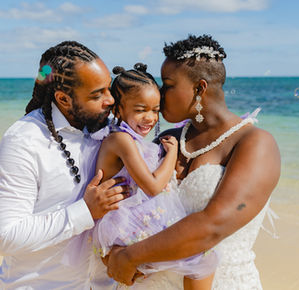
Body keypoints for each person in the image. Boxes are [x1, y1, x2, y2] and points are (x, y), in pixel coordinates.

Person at [105, 34, 281, 289]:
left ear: (199, 88)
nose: (159, 94)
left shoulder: (255, 143)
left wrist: (131, 256)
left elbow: (213, 225)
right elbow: (133, 205)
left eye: (167, 84)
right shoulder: (168, 139)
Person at [0, 41, 129, 289]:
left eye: (109, 89)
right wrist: (85, 211)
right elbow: (6, 237)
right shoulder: (24, 141)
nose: (110, 100)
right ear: (63, 98)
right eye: (97, 94)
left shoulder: (109, 129)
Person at [72, 63, 217, 290]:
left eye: (155, 110)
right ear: (117, 110)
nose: (150, 118)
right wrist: (172, 154)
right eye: (140, 110)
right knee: (201, 253)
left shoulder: (130, 140)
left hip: (130, 224)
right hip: (123, 229)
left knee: (193, 252)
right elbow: (152, 187)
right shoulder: (121, 141)